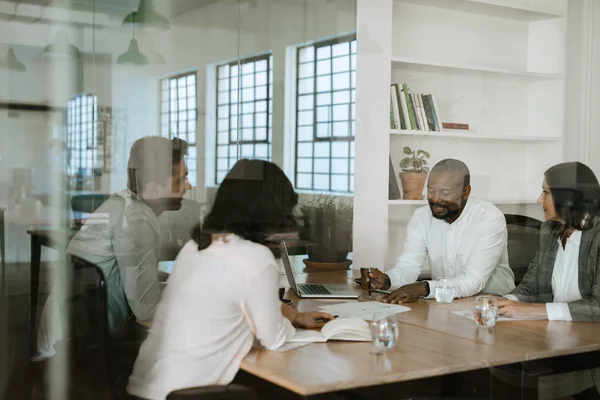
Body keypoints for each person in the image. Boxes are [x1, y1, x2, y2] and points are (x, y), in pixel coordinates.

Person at [127, 159, 334, 400]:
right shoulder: (257, 258)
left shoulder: (197, 245)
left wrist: (295, 317)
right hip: (189, 394)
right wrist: (285, 325)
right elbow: (274, 339)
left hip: (145, 388)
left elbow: (229, 299)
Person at [33, 136, 191, 360]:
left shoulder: (123, 204)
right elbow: (145, 309)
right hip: (76, 347)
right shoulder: (136, 220)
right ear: (153, 188)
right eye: (181, 179)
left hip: (73, 334)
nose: (189, 185)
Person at [498, 162, 600, 400]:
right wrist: (504, 302)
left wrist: (530, 311)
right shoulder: (551, 230)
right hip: (557, 340)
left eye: (545, 192)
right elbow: (533, 286)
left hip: (591, 348)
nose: (538, 200)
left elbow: (598, 306)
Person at [365, 159, 515, 304]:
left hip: (493, 305)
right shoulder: (422, 217)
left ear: (465, 192)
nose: (436, 199)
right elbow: (409, 265)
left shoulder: (489, 218)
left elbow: (473, 281)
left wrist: (425, 288)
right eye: (431, 191)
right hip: (445, 303)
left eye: (444, 193)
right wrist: (388, 280)